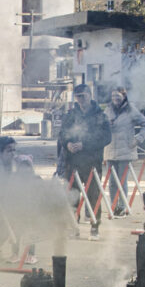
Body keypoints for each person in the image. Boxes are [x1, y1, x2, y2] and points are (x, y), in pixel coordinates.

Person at [56, 84, 112, 239]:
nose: (81, 99)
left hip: (91, 162)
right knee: (72, 197)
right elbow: (61, 135)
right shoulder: (71, 115)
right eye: (78, 96)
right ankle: (73, 228)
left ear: (90, 95)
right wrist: (67, 144)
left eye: (83, 95)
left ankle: (95, 227)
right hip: (72, 163)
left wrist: (84, 145)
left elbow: (106, 137)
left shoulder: (100, 115)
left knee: (93, 196)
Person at [106, 87, 145, 217]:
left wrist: (138, 139)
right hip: (110, 149)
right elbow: (101, 125)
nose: (115, 99)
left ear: (124, 97)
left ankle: (122, 207)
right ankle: (113, 207)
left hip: (125, 149)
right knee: (112, 182)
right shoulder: (108, 110)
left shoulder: (131, 110)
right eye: (113, 96)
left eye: (118, 96)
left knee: (122, 181)